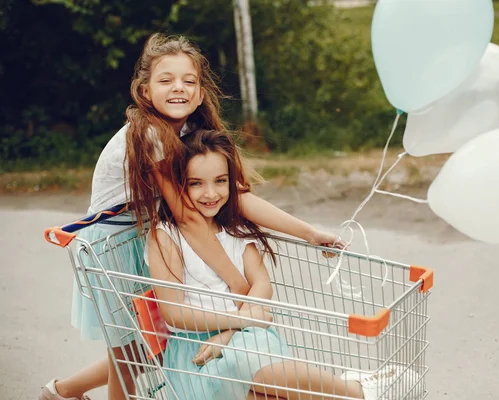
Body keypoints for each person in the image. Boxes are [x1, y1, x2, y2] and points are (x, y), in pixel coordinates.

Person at [40, 33, 338, 400]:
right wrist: (241, 289)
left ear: (199, 91)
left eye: (189, 81)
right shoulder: (149, 134)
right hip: (110, 244)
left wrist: (308, 232)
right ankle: (68, 392)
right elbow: (188, 218)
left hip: (140, 232)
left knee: (152, 345)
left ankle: (62, 391)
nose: (178, 88)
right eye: (166, 80)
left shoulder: (189, 129)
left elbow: (237, 198)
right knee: (128, 351)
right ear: (145, 90)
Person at [146, 129, 402, 400]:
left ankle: (355, 391)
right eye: (196, 183)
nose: (211, 193)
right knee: (247, 367)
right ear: (179, 185)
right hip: (195, 351)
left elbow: (261, 283)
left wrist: (232, 333)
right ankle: (357, 392)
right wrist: (243, 319)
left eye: (220, 181)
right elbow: (174, 313)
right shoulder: (167, 236)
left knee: (250, 367)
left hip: (245, 337)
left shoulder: (234, 231)